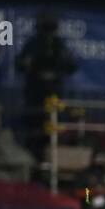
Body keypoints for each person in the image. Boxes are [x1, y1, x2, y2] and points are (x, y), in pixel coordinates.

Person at [14, 11, 76, 161]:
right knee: (34, 129)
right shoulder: (33, 44)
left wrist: (58, 67)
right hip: (36, 92)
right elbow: (20, 64)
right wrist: (30, 64)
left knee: (51, 128)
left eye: (50, 27)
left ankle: (49, 160)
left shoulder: (59, 44)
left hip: (53, 92)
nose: (48, 32)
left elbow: (71, 65)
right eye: (45, 27)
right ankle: (33, 160)